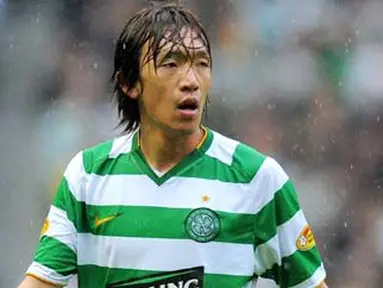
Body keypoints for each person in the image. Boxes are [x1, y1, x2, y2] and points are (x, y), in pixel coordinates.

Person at [18, 3, 328, 288]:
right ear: (129, 83)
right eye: (171, 64)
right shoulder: (86, 178)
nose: (191, 80)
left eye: (202, 63)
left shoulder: (258, 179)